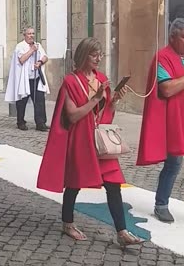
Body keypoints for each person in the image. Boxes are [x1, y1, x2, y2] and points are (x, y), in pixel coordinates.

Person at [36, 37, 143, 247]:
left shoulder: (101, 78)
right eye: (95, 55)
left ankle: (122, 231)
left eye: (100, 54)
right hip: (80, 140)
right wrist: (95, 98)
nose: (99, 58)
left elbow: (105, 114)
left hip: (99, 140)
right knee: (74, 183)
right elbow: (73, 116)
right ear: (84, 56)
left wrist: (115, 100)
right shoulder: (71, 81)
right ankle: (67, 223)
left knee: (113, 185)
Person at [137, 18, 184, 223]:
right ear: (173, 37)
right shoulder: (162, 57)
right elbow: (166, 89)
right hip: (173, 119)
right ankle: (161, 204)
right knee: (174, 162)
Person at [5, 27, 50, 131]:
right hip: (24, 79)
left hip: (36, 78)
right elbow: (21, 59)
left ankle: (40, 123)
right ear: (24, 35)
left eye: (33, 33)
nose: (31, 36)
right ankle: (20, 122)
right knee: (22, 101)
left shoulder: (38, 45)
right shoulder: (20, 46)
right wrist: (31, 50)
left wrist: (40, 62)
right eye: (29, 34)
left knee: (39, 100)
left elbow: (45, 57)